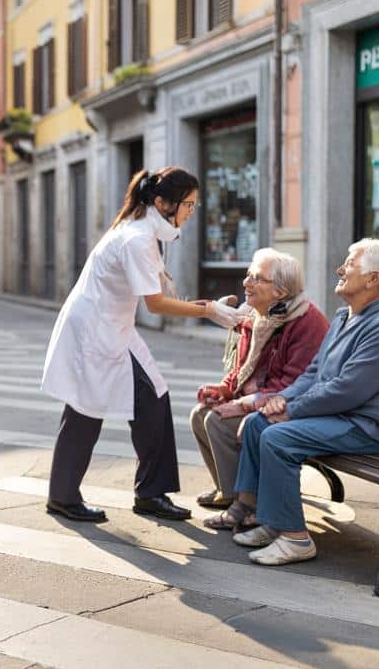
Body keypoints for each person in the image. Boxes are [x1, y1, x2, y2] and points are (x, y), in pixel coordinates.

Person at [41, 167, 243, 525]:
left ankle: (148, 492)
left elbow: (158, 292)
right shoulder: (137, 237)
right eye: (188, 205)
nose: (191, 212)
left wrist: (208, 305)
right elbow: (156, 304)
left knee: (152, 397)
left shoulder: (142, 231)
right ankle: (66, 497)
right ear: (163, 202)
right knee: (85, 410)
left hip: (112, 327)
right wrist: (210, 310)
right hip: (96, 331)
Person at [231, 238, 379, 566]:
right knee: (259, 423)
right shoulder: (345, 316)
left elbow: (348, 390)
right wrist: (278, 400)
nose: (340, 269)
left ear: (373, 279)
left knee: (277, 437)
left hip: (365, 426)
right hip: (339, 416)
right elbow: (312, 374)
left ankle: (295, 539)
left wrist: (291, 412)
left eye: (350, 264)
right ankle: (270, 519)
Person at [190, 249, 328, 519]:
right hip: (259, 399)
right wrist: (224, 390)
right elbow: (240, 370)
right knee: (200, 414)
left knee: (217, 422)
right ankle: (227, 491)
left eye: (257, 278)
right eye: (248, 276)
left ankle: (245, 503)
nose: (246, 283)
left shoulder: (307, 322)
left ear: (280, 291)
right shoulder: (258, 316)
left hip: (287, 406)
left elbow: (293, 385)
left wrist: (242, 406)